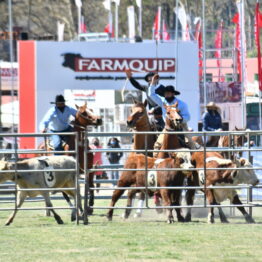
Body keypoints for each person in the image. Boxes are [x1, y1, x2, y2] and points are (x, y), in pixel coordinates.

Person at [148, 79, 196, 153]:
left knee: (190, 143)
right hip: (167, 127)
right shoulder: (162, 102)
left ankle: (193, 160)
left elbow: (188, 117)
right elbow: (151, 95)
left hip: (181, 127)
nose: (166, 95)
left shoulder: (181, 104)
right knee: (157, 145)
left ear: (173, 94)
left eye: (168, 93)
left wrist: (180, 119)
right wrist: (152, 83)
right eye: (165, 93)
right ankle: (157, 162)